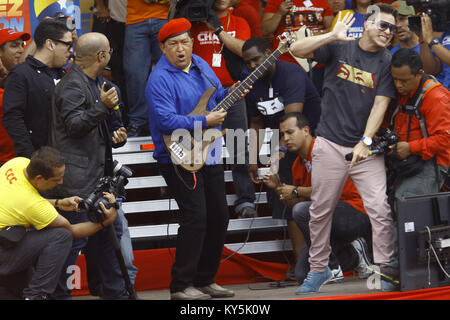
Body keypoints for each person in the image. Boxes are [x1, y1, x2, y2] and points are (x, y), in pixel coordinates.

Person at [289, 3, 398, 293]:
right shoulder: (340, 48)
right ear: (367, 24)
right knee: (320, 211)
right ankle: (319, 269)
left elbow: (380, 104)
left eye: (392, 28)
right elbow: (296, 50)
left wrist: (365, 141)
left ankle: (385, 270)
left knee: (379, 208)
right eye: (382, 25)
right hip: (328, 142)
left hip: (364, 149)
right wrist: (331, 36)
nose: (388, 32)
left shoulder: (387, 61)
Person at [146, 18, 249, 300]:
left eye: (185, 42)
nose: (181, 49)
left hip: (209, 152)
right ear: (163, 49)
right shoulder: (159, 78)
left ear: (192, 43)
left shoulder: (202, 66)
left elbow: (217, 99)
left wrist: (233, 93)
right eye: (174, 44)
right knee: (196, 218)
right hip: (177, 156)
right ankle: (181, 285)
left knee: (219, 216)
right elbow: (166, 121)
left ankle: (205, 279)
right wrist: (206, 120)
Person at [48, 32, 129, 300]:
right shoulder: (71, 85)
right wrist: (101, 106)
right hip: (77, 184)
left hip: (100, 181)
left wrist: (118, 134)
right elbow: (74, 126)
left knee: (111, 245)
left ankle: (116, 295)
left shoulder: (101, 84)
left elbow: (105, 127)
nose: (110, 56)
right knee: (69, 249)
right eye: (109, 52)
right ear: (101, 56)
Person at [262, 113, 372, 285]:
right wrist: (278, 187)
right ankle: (355, 254)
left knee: (303, 211)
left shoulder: (324, 150)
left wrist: (297, 191)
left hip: (354, 212)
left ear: (305, 130)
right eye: (283, 135)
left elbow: (329, 191)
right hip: (327, 219)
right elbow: (296, 205)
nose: (285, 139)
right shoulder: (297, 164)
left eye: (290, 132)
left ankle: (332, 268)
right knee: (302, 275)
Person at [243, 36, 322, 277]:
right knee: (288, 201)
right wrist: (253, 159)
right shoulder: (252, 84)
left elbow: (293, 121)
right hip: (284, 144)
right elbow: (256, 122)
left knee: (303, 198)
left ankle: (313, 264)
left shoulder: (291, 74)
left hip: (312, 140)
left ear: (269, 53)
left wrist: (276, 155)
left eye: (257, 59)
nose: (253, 66)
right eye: (248, 63)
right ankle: (302, 264)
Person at [0, 147, 118, 300]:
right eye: (56, 179)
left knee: (23, 282)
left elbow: (21, 202)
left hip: (7, 237)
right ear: (40, 178)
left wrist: (58, 202)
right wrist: (106, 221)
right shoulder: (34, 205)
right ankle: (35, 296)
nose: (61, 182)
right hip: (4, 249)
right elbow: (72, 231)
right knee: (60, 236)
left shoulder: (17, 164)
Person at [190, 0, 257, 219]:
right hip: (201, 97)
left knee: (239, 146)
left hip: (232, 91)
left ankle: (246, 199)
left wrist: (218, 30)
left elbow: (244, 51)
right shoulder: (194, 22)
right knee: (208, 150)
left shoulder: (238, 21)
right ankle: (208, 201)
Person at [2, 19, 71, 159]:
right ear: (50, 44)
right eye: (68, 45)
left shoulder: (65, 75)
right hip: (28, 163)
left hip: (65, 160)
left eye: (22, 45)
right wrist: (31, 157)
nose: (71, 50)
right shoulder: (20, 74)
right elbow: (13, 118)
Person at [261, 0, 334, 93]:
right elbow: (265, 30)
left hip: (316, 62)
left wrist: (317, 34)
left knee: (315, 101)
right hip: (287, 62)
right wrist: (279, 13)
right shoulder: (276, 1)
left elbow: (331, 30)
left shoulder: (322, 1)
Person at [123, 0, 169, 137]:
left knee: (169, 73)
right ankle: (137, 121)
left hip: (165, 17)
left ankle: (169, 116)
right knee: (134, 73)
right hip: (135, 19)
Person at [0, 28, 30, 166]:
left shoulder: (27, 79)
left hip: (26, 162)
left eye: (22, 45)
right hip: (5, 165)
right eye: (14, 46)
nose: (21, 50)